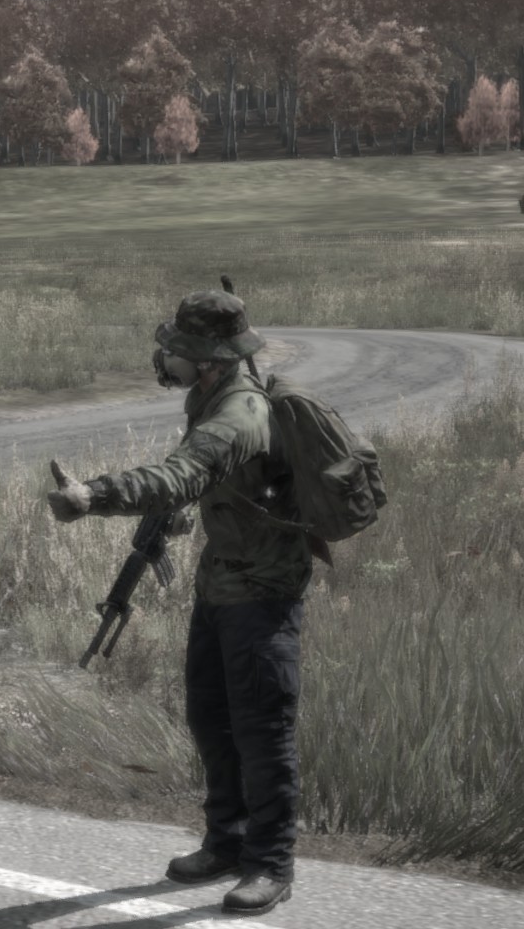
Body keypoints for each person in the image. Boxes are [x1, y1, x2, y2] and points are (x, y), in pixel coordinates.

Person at [46, 290, 309, 916]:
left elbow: (178, 475)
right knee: (211, 717)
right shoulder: (211, 398)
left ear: (206, 358)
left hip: (262, 592)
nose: (164, 358)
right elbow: (214, 483)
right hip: (221, 584)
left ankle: (271, 864)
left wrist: (93, 496)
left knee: (261, 731)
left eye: (174, 349)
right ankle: (227, 841)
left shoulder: (237, 413)